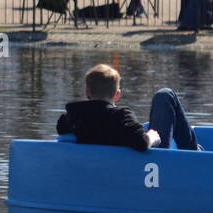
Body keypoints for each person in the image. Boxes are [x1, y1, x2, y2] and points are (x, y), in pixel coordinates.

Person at [56, 64, 202, 152]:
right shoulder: (120, 116)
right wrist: (152, 136)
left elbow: (63, 133)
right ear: (117, 95)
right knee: (165, 95)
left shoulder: (71, 118)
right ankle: (195, 153)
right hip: (154, 162)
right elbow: (141, 142)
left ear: (87, 92)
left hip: (103, 163)